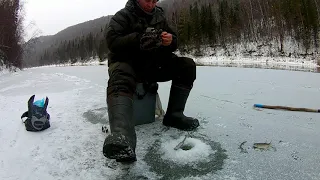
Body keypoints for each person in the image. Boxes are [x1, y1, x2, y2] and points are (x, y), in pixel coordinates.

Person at [103, 0, 200, 162]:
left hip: (153, 65)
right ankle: (122, 137)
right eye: (148, 0)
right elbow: (112, 42)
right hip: (127, 64)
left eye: (154, 0)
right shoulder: (122, 16)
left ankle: (174, 116)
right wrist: (138, 39)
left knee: (186, 65)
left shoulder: (159, 16)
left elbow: (174, 40)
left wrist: (171, 41)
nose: (151, 4)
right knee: (120, 77)